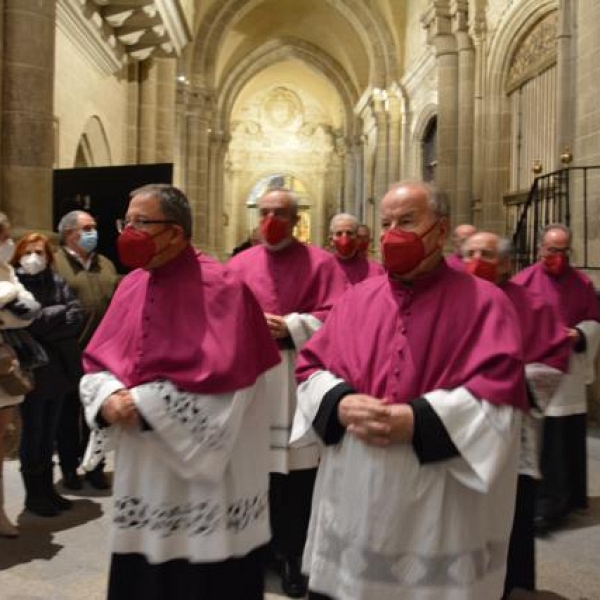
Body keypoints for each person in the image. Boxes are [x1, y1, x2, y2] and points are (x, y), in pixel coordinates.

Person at [291, 180, 528, 600]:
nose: (391, 234)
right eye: (385, 224)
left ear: (440, 231)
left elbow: (500, 400)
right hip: (354, 491)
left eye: (406, 221)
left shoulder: (486, 303)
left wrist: (419, 420)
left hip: (436, 500)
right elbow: (311, 369)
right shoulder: (356, 299)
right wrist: (340, 402)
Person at [79, 184, 280, 600]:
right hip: (146, 463)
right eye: (126, 221)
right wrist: (108, 397)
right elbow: (101, 360)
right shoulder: (132, 284)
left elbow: (234, 384)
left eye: (141, 222)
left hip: (210, 473)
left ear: (175, 231)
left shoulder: (224, 287)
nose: (128, 231)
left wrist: (144, 404)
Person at [228, 188, 347, 598]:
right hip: (253, 377)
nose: (270, 220)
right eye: (264, 212)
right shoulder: (239, 263)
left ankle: (294, 556)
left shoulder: (322, 263)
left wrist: (293, 324)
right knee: (255, 469)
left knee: (297, 476)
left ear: (297, 219)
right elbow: (220, 313)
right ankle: (256, 551)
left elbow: (341, 315)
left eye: (280, 213)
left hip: (299, 374)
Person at [463, 231, 571, 596]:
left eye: (488, 254)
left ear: (507, 263)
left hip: (509, 425)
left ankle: (512, 584)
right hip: (453, 427)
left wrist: (503, 381)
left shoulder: (529, 303)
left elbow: (554, 360)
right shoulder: (449, 299)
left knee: (510, 507)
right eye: (470, 253)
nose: (477, 260)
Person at [512, 223, 600, 533]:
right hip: (538, 370)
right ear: (539, 249)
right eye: (552, 250)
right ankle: (545, 504)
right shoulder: (522, 282)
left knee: (567, 435)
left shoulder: (582, 282)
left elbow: (594, 320)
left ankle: (570, 498)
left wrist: (579, 333)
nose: (557, 257)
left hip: (571, 371)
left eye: (563, 250)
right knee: (544, 441)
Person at [11, 233, 84, 517]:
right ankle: (33, 495)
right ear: (19, 254)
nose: (34, 257)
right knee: (33, 432)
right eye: (29, 252)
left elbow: (77, 315)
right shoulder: (14, 284)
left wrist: (44, 319)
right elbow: (25, 323)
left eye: (40, 252)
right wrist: (56, 316)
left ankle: (47, 490)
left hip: (60, 369)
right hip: (34, 370)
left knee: (49, 433)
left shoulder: (56, 280)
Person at [53, 210, 119, 490]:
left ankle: (96, 466)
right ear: (70, 233)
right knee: (69, 414)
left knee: (99, 413)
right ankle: (70, 468)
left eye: (93, 227)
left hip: (103, 353)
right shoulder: (55, 262)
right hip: (69, 351)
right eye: (87, 228)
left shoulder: (104, 263)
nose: (94, 232)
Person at [0, 213, 40, 537]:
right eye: (3, 237)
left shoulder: (7, 269)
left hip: (5, 369)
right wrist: (10, 298)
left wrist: (11, 299)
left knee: (1, 442)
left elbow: (28, 313)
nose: (8, 243)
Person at [329, 213, 384, 285]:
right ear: (331, 240)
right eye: (339, 233)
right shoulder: (323, 270)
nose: (344, 237)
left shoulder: (376, 271)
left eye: (349, 233)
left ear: (357, 238)